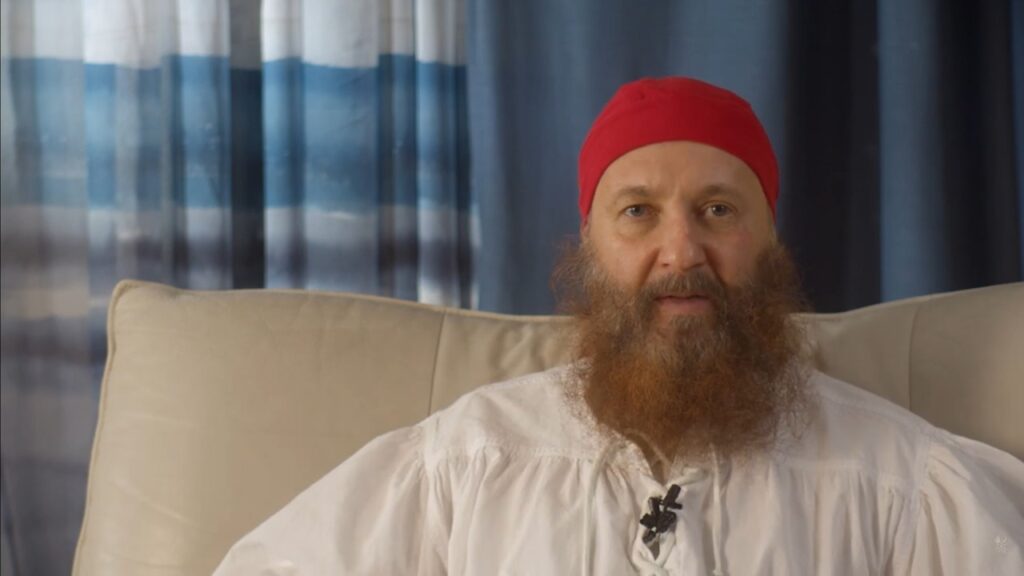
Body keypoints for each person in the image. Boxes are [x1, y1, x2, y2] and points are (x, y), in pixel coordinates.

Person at [213, 77, 1023, 575]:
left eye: (718, 210)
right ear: (590, 249)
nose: (682, 251)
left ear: (771, 245)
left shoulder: (905, 483)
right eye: (638, 212)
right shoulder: (467, 462)